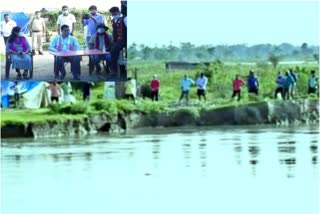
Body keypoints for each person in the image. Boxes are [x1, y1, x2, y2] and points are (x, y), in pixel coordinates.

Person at [109, 6, 127, 76]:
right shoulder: (114, 20)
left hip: (124, 40)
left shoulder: (125, 18)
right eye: (112, 14)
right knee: (110, 49)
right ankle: (121, 69)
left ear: (119, 12)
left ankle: (114, 70)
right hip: (117, 40)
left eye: (114, 13)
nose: (113, 15)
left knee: (114, 50)